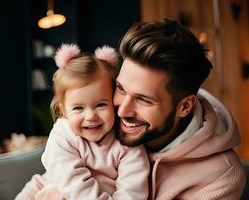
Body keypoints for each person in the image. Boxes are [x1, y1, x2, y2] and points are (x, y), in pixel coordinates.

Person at [16, 18, 246, 200]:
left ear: (185, 106)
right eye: (120, 89)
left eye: (144, 100)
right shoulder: (104, 130)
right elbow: (53, 177)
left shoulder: (220, 177)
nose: (122, 110)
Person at [16, 44, 149, 200]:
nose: (91, 116)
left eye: (101, 105)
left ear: (114, 102)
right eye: (78, 108)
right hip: (48, 188)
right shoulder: (63, 134)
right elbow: (71, 180)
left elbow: (133, 193)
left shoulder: (128, 143)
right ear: (64, 111)